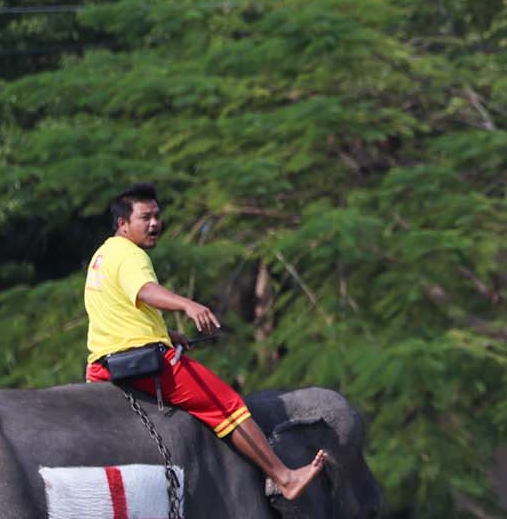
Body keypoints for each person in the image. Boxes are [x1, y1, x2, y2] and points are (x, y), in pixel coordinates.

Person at [85, 183, 327, 500]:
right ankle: (284, 478)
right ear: (122, 224)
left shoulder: (102, 256)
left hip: (99, 367)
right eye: (146, 217)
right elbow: (145, 291)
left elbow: (117, 310)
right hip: (142, 365)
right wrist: (187, 304)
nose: (155, 223)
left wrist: (169, 334)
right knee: (229, 406)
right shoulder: (131, 255)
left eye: (157, 216)